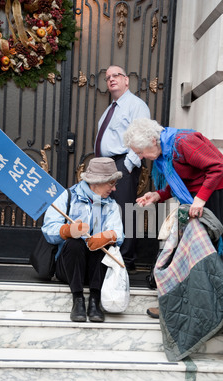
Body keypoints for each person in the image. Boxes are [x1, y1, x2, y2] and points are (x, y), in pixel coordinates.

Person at [123, 118, 223, 317]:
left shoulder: (184, 142)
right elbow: (181, 179)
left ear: (152, 140)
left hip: (212, 196)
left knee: (204, 252)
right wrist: (159, 195)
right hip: (194, 199)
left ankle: (209, 305)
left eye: (141, 152)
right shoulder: (166, 151)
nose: (141, 157)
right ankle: (177, 306)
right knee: (184, 252)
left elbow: (218, 167)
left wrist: (200, 200)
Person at [42, 158, 124, 323]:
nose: (114, 188)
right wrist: (66, 231)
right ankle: (78, 299)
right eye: (111, 183)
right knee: (76, 243)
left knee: (101, 245)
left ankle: (95, 300)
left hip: (97, 271)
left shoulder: (112, 205)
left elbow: (118, 234)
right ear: (97, 182)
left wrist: (108, 236)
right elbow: (48, 230)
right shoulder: (67, 196)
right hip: (68, 268)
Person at [94, 65, 150, 272]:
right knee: (107, 210)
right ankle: (109, 253)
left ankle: (127, 260)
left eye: (116, 75)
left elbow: (143, 134)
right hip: (105, 165)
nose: (111, 79)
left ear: (127, 80)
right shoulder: (111, 108)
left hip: (121, 164)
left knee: (125, 210)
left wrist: (127, 165)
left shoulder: (136, 105)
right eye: (108, 77)